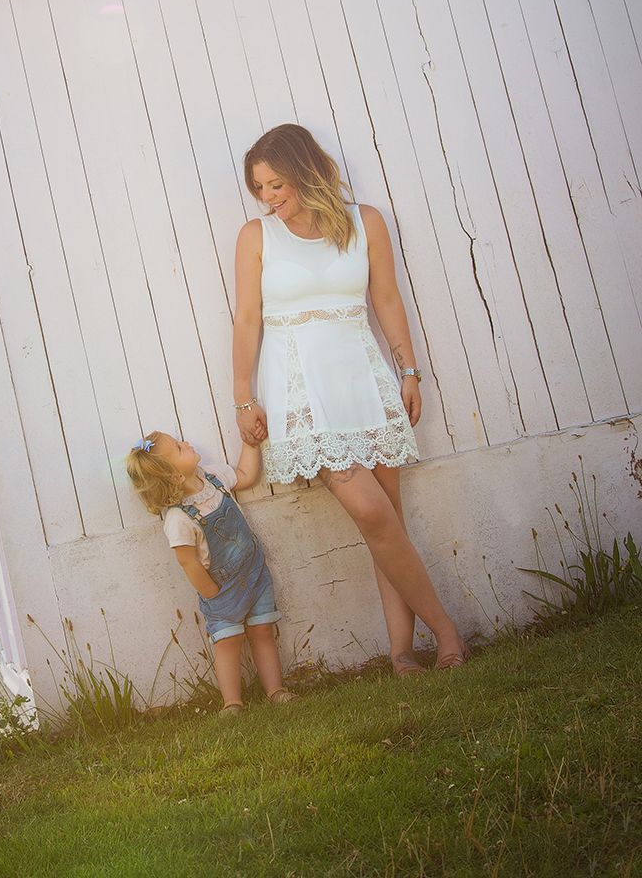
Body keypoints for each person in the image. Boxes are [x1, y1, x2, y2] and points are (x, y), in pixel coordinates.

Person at [232, 123, 468, 676]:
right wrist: (243, 397)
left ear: (304, 170)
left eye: (275, 185)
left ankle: (401, 652)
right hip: (299, 390)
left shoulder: (365, 222)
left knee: (387, 523)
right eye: (259, 189)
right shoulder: (255, 237)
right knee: (371, 512)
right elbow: (246, 319)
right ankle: (449, 633)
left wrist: (408, 370)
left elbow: (385, 297)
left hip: (364, 379)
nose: (268, 198)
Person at [126, 430, 296, 715]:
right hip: (220, 588)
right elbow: (188, 562)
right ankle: (232, 702)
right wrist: (212, 595)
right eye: (180, 448)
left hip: (254, 573)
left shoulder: (214, 478)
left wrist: (249, 442)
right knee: (228, 641)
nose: (187, 443)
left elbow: (245, 474)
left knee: (263, 630)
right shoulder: (179, 518)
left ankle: (275, 689)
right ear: (176, 478)